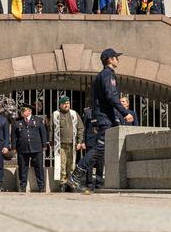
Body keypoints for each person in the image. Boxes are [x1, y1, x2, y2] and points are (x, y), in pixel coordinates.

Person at [68, 49, 134, 193]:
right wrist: (125, 113)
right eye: (116, 57)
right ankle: (76, 175)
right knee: (100, 148)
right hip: (105, 117)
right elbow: (110, 96)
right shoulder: (107, 75)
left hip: (104, 117)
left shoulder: (102, 75)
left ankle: (81, 176)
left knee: (102, 148)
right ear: (110, 59)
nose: (118, 59)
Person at [12, 104, 48, 193]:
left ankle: (41, 186)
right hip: (22, 148)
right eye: (22, 111)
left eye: (24, 110)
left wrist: (44, 144)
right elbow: (13, 136)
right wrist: (14, 147)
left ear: (30, 111)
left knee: (39, 167)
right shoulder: (17, 122)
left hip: (36, 148)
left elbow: (43, 133)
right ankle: (22, 186)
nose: (22, 112)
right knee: (23, 168)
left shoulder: (38, 120)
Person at [52, 96, 85, 192]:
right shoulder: (56, 114)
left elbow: (80, 128)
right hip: (60, 144)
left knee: (71, 164)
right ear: (60, 105)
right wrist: (51, 142)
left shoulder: (74, 114)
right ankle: (62, 183)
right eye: (64, 103)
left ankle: (71, 183)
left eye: (68, 103)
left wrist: (79, 141)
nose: (66, 105)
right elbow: (51, 129)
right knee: (62, 164)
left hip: (72, 144)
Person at [82, 106, 104, 190]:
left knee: (100, 162)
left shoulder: (104, 112)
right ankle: (89, 183)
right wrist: (83, 141)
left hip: (101, 141)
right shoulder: (88, 112)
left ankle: (99, 182)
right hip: (90, 141)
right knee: (89, 162)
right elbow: (84, 127)